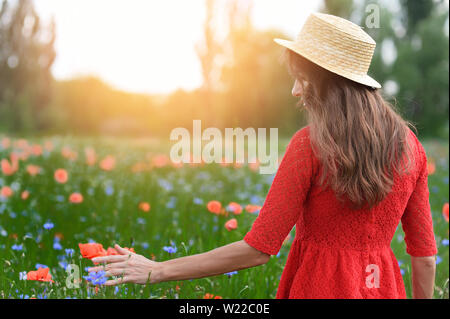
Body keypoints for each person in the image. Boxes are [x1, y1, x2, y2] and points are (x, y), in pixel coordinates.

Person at [88, 13, 437, 299]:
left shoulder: (311, 145)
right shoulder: (411, 148)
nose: (295, 90)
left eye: (302, 79)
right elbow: (424, 257)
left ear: (330, 82)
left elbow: (258, 249)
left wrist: (158, 269)